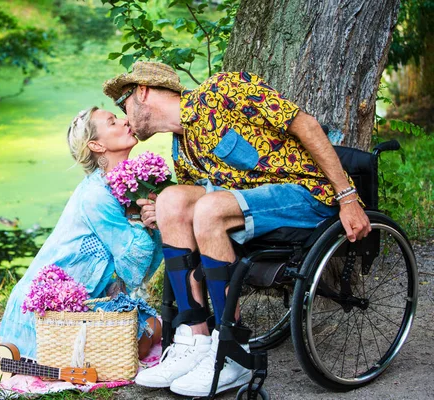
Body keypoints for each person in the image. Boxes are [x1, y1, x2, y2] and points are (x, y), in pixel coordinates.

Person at [103, 61, 371, 396]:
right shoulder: (181, 147)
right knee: (171, 200)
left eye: (122, 104)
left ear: (142, 91)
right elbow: (188, 212)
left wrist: (347, 197)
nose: (124, 118)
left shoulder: (223, 90)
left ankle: (235, 352)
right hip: (252, 206)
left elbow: (306, 125)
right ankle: (195, 338)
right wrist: (162, 214)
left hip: (305, 193)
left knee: (210, 209)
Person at [0, 107, 162, 360]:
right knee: (141, 342)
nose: (125, 120)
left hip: (91, 298)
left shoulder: (126, 186)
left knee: (155, 328)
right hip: (45, 311)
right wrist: (145, 221)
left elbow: (137, 271)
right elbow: (134, 267)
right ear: (97, 145)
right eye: (112, 122)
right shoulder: (97, 195)